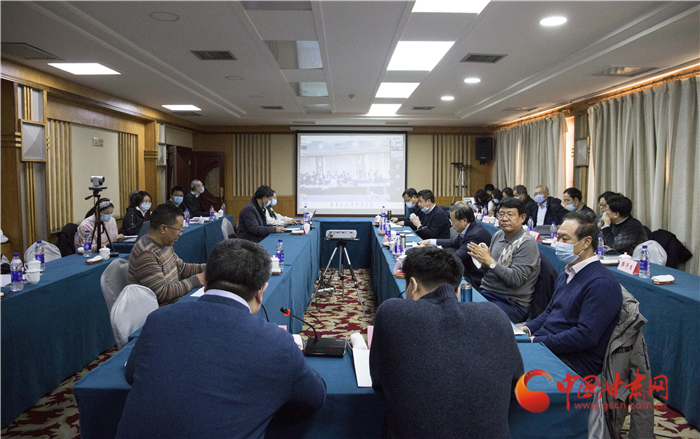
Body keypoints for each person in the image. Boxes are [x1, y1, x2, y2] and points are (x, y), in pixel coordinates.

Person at [117, 239, 326, 439]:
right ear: (261, 292)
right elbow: (315, 396)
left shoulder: (158, 319)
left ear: (206, 280)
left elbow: (130, 374)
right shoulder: (277, 343)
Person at [370, 246, 523, 439]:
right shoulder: (496, 315)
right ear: (457, 291)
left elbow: (379, 385)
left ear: (412, 286)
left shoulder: (392, 313)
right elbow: (517, 386)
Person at [521, 212, 622, 377]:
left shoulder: (602, 283)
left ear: (586, 242)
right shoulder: (568, 273)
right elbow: (550, 311)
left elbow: (585, 336)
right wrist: (527, 329)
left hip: (574, 361)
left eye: (564, 239)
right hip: (548, 345)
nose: (558, 243)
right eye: (558, 237)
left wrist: (536, 341)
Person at [467, 197, 541, 323]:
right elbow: (489, 271)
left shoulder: (527, 243)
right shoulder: (498, 235)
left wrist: (489, 261)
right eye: (501, 214)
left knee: (472, 318)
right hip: (487, 293)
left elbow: (515, 279)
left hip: (511, 302)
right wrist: (483, 261)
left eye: (510, 215)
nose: (504, 218)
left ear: (522, 218)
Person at [128, 203, 206, 306]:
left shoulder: (165, 243)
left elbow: (182, 269)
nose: (180, 233)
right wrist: (196, 280)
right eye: (179, 229)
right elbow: (163, 292)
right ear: (163, 229)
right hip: (160, 311)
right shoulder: (146, 253)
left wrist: (211, 267)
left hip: (174, 303)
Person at [418, 202, 492, 290]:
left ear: (464, 221)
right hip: (466, 270)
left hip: (475, 277)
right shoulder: (470, 228)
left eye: (453, 221)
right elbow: (453, 242)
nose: (451, 224)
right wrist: (430, 242)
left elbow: (455, 258)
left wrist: (429, 251)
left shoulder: (474, 235)